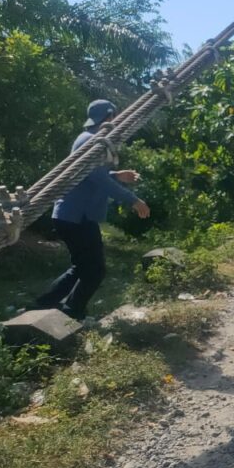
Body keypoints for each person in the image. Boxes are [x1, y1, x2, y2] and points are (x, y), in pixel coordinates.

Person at [35, 100, 151, 320]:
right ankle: (72, 313)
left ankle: (44, 305)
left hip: (71, 215)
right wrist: (133, 200)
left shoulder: (88, 140)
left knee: (82, 267)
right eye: (115, 117)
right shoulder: (91, 141)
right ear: (109, 117)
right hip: (77, 217)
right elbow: (98, 179)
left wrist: (117, 175)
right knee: (95, 270)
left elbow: (88, 176)